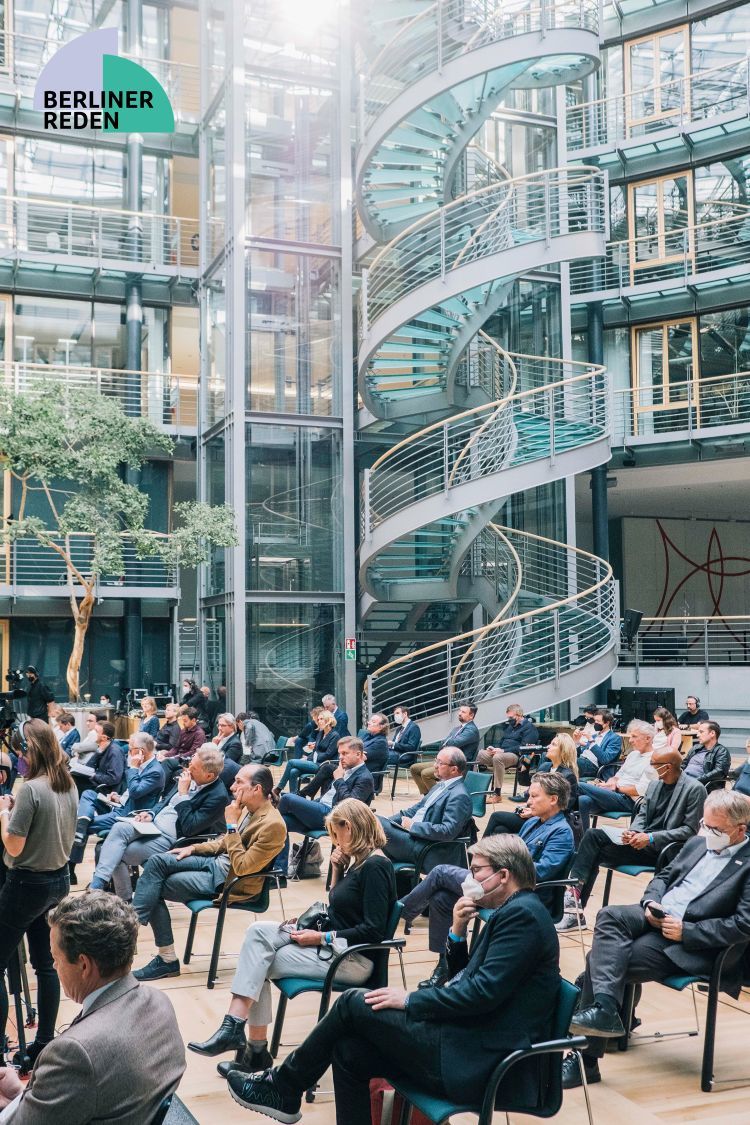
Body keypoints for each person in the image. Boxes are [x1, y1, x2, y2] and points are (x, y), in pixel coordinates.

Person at [224, 833, 560, 1124]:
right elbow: (467, 982)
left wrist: (411, 1000)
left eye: (476, 871)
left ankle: (283, 1086)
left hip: (483, 1059)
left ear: (503, 875)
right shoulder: (515, 911)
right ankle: (283, 1088)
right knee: (349, 1051)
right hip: (467, 1040)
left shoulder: (523, 917)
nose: (468, 878)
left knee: (355, 1001)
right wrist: (457, 934)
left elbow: (480, 994)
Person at [189, 800, 397, 1076]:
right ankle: (238, 1033)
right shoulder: (358, 861)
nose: (334, 841)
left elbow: (373, 930)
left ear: (350, 828)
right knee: (258, 931)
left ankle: (252, 1047)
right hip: (334, 948)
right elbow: (338, 906)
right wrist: (337, 870)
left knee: (256, 961)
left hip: (353, 960)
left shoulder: (376, 867)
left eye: (336, 834)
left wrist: (321, 936)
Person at [564, 790, 750, 1090]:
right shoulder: (698, 842)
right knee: (610, 915)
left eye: (716, 829)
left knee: (603, 962)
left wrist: (687, 932)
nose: (707, 833)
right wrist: (650, 903)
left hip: (688, 939)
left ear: (740, 829)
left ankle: (586, 1058)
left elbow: (744, 924)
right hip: (659, 915)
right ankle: (607, 1010)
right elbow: (662, 877)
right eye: (705, 824)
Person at [0, 892, 185, 1123]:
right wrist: (24, 1097)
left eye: (56, 958)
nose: (55, 966)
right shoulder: (159, 1002)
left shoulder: (75, 1053)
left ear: (84, 965)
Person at [402, 773, 574, 978]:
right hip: (498, 885)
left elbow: (543, 871)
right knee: (442, 898)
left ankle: (400, 912)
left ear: (553, 799)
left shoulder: (562, 832)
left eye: (535, 796)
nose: (528, 801)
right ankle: (445, 965)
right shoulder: (532, 823)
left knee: (440, 873)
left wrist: (500, 866)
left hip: (520, 895)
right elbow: (510, 853)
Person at [132, 764, 286, 981]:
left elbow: (243, 867)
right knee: (156, 863)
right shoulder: (248, 808)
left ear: (257, 789)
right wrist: (193, 848)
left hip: (228, 881)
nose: (232, 787)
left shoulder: (273, 824)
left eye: (239, 782)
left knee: (154, 886)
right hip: (216, 865)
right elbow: (224, 842)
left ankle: (161, 956)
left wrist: (231, 824)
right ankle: (131, 930)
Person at [557, 749, 706, 931]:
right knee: (592, 837)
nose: (650, 768)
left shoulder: (695, 789)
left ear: (667, 767)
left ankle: (573, 908)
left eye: (653, 764)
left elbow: (689, 831)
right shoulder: (654, 785)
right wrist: (633, 831)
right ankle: (574, 900)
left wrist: (650, 837)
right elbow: (642, 815)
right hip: (639, 843)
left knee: (592, 854)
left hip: (665, 850)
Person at [0, 720, 77, 1064]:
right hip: (58, 881)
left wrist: (5, 815)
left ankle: (1, 1049)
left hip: (26, 884)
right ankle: (44, 1042)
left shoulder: (31, 789)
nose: (18, 759)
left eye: (19, 753)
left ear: (29, 751)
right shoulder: (67, 784)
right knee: (46, 966)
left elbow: (14, 847)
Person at [89, 745, 229, 900]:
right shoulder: (189, 776)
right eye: (190, 764)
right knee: (119, 827)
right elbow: (165, 802)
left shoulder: (218, 796)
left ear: (209, 776)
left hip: (170, 838)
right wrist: (150, 813)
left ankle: (124, 899)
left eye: (194, 768)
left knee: (116, 853)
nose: (188, 769)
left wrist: (183, 795)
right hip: (152, 825)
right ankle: (99, 883)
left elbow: (190, 828)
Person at [67, 732, 166, 879]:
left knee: (77, 826)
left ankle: (71, 869)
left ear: (141, 752)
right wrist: (118, 798)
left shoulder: (155, 771)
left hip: (129, 815)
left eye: (131, 748)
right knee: (89, 794)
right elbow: (132, 792)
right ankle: (82, 824)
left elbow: (136, 791)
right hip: (121, 805)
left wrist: (132, 768)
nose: (128, 752)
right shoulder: (143, 765)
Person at [276, 738, 375, 872]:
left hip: (334, 817)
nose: (341, 757)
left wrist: (339, 779)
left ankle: (261, 822)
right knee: (280, 823)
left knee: (287, 799)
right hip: (321, 810)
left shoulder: (365, 778)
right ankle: (279, 872)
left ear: (358, 754)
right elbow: (328, 796)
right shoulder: (345, 769)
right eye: (340, 753)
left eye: (345, 753)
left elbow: (350, 807)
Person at [379, 747, 472, 870]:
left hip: (424, 847)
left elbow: (448, 831)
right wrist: (389, 821)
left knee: (369, 821)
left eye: (440, 763)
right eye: (436, 761)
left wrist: (413, 825)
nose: (435, 765)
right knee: (374, 822)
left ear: (454, 769)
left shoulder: (459, 795)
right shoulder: (440, 786)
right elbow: (412, 811)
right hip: (413, 837)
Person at [485, 734, 579, 833]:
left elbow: (564, 807)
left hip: (549, 820)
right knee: (500, 830)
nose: (548, 746)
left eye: (553, 744)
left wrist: (535, 813)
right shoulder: (545, 767)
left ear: (563, 751)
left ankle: (478, 848)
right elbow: (526, 785)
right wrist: (527, 762)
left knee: (496, 816)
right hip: (536, 815)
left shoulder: (568, 776)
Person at [576, 719, 658, 832]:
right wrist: (611, 782)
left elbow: (640, 790)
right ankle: (581, 840)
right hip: (614, 795)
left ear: (648, 738)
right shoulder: (633, 755)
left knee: (578, 785)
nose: (630, 740)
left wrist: (617, 787)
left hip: (630, 801)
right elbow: (618, 775)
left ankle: (554, 816)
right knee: (583, 800)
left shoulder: (654, 759)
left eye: (634, 737)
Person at [409, 703, 480, 794]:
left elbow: (453, 743)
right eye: (459, 710)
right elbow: (443, 744)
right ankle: (427, 797)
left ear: (471, 715)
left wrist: (446, 744)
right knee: (414, 768)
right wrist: (445, 745)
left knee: (426, 774)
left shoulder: (471, 730)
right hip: (445, 762)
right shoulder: (457, 728)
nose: (459, 713)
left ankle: (439, 797)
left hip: (457, 766)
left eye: (463, 712)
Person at [477, 702, 537, 802]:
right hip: (501, 753)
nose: (509, 720)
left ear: (519, 715)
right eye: (508, 717)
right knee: (478, 754)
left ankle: (497, 794)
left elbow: (524, 747)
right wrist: (494, 749)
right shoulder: (510, 727)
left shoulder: (529, 728)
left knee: (498, 758)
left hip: (516, 756)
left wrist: (503, 751)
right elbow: (502, 742)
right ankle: (475, 788)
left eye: (511, 717)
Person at [274, 710, 340, 795]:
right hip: (314, 761)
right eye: (318, 719)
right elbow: (316, 750)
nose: (318, 721)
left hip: (323, 765)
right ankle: (294, 796)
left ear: (328, 720)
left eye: (321, 719)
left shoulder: (335, 735)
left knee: (291, 762)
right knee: (293, 771)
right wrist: (308, 758)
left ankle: (279, 788)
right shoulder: (321, 733)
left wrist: (311, 758)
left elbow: (328, 754)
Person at [70, 720, 125, 798]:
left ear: (104, 737)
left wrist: (94, 775)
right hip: (97, 782)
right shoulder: (102, 747)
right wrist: (98, 752)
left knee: (75, 781)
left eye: (96, 731)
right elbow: (89, 767)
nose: (93, 733)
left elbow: (113, 778)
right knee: (73, 776)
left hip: (107, 789)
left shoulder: (115, 752)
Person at [682, 720, 730, 789]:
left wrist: (696, 781)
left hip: (699, 785)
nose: (697, 735)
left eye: (701, 732)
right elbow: (683, 764)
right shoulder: (695, 748)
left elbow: (719, 772)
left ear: (712, 733)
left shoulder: (721, 751)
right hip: (684, 781)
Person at [576, 709, 622, 780]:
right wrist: (577, 741)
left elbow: (605, 759)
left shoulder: (615, 738)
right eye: (595, 721)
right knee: (559, 759)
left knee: (568, 763)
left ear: (607, 723)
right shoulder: (594, 736)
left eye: (598, 721)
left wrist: (591, 740)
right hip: (582, 761)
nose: (595, 723)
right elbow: (581, 753)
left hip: (594, 766)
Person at [361, 713, 389, 779]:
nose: (368, 722)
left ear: (381, 726)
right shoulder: (366, 735)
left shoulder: (381, 742)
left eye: (373, 722)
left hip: (367, 778)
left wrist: (355, 752)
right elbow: (352, 748)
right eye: (369, 720)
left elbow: (359, 757)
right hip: (358, 773)